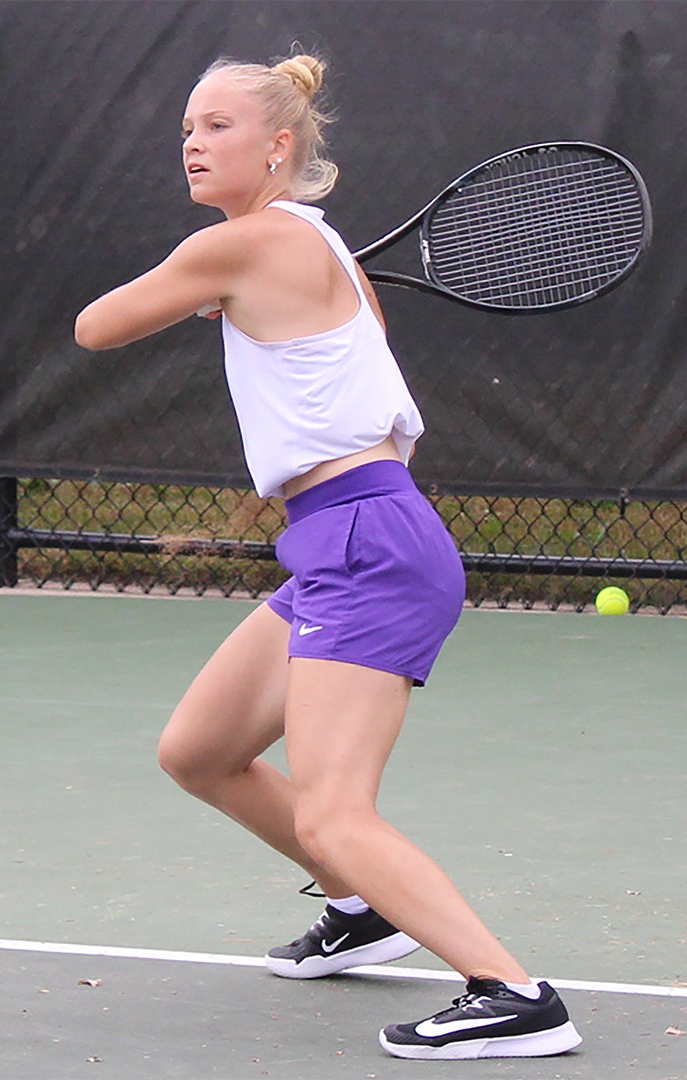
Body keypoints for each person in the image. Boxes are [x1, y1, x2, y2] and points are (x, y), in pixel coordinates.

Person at [74, 52, 580, 1061]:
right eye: (186, 127)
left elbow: (96, 327)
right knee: (201, 752)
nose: (191, 142)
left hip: (368, 548)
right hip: (352, 537)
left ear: (279, 145)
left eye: (216, 126)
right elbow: (388, 416)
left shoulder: (245, 246)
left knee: (339, 811)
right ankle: (364, 913)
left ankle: (515, 994)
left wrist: (205, 286)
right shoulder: (323, 251)